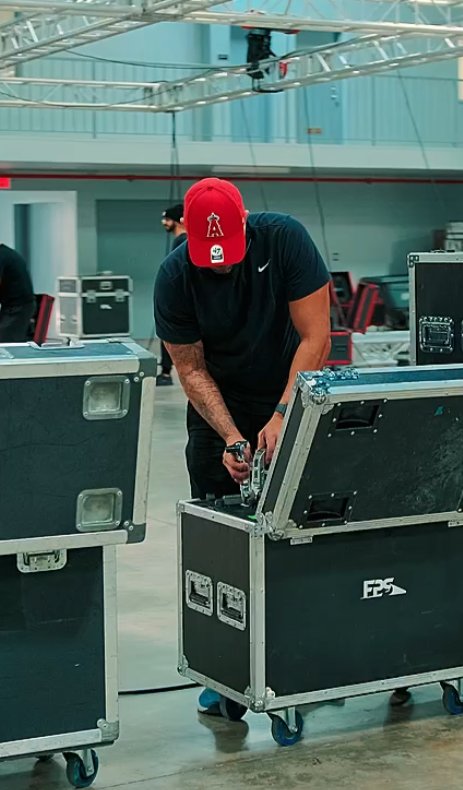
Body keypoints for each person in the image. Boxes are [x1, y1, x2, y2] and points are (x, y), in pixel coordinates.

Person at [156, 177, 368, 714]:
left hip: (293, 389)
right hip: (219, 402)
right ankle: (225, 669)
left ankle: (312, 654)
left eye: (229, 256)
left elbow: (316, 337)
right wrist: (231, 437)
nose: (221, 268)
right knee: (218, 534)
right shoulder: (174, 277)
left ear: (245, 222)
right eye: (211, 260)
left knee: (309, 525)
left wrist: (282, 414)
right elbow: (189, 368)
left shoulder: (285, 239)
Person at [157, 202, 186, 386]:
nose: (164, 223)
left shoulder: (182, 241)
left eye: (167, 219)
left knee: (168, 334)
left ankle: (166, 374)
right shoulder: (182, 240)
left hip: (179, 298)